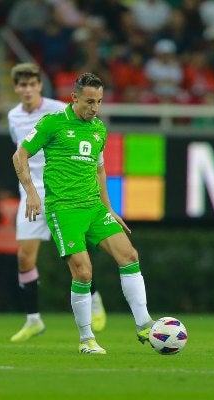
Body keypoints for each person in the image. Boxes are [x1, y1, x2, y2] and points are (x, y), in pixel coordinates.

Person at [12, 72, 154, 354]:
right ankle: (86, 339)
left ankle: (145, 325)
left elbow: (100, 169)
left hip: (94, 207)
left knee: (130, 256)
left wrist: (110, 208)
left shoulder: (99, 129)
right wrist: (31, 192)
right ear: (74, 97)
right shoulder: (53, 123)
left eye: (99, 102)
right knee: (84, 272)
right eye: (90, 102)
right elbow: (20, 155)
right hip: (63, 209)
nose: (95, 108)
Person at [7, 63, 106, 343]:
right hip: (31, 192)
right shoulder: (13, 116)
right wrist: (29, 190)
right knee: (24, 258)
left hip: (63, 191)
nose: (27, 90)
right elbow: (22, 154)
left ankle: (95, 298)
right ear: (16, 88)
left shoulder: (58, 111)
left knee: (77, 257)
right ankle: (33, 321)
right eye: (22, 85)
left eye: (32, 84)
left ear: (40, 85)